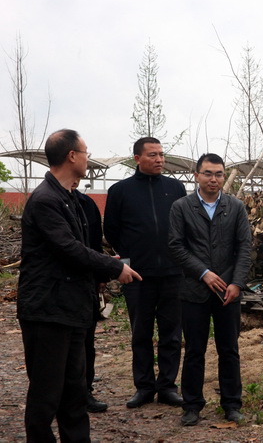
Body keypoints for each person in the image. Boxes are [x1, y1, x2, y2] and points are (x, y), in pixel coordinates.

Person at [18, 129, 141, 442]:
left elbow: (83, 249)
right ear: (71, 156)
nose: (88, 158)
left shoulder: (70, 198)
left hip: (72, 308)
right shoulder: (46, 200)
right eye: (86, 152)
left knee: (75, 392)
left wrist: (104, 264)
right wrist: (114, 267)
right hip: (47, 311)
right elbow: (68, 248)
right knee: (47, 394)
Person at [167, 153, 251, 426]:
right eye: (207, 173)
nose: (213, 179)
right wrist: (203, 273)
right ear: (196, 176)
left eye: (218, 174)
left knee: (229, 350)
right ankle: (192, 405)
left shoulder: (235, 207)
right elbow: (176, 246)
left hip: (228, 291)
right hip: (194, 290)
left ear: (223, 177)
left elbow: (244, 247)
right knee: (194, 350)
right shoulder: (182, 207)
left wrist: (237, 283)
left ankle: (232, 404)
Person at [104, 137, 186, 409]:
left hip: (173, 272)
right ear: (137, 159)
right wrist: (130, 256)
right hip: (137, 274)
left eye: (161, 154)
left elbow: (183, 225)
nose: (159, 159)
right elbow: (111, 230)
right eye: (152, 155)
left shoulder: (175, 188)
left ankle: (168, 387)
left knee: (171, 334)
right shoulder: (120, 191)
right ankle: (144, 387)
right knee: (141, 333)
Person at [72, 181, 108, 413]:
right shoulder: (48, 202)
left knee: (87, 340)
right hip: (62, 286)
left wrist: (102, 275)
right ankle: (64, 394)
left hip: (89, 283)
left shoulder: (87, 204)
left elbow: (96, 243)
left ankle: (85, 391)